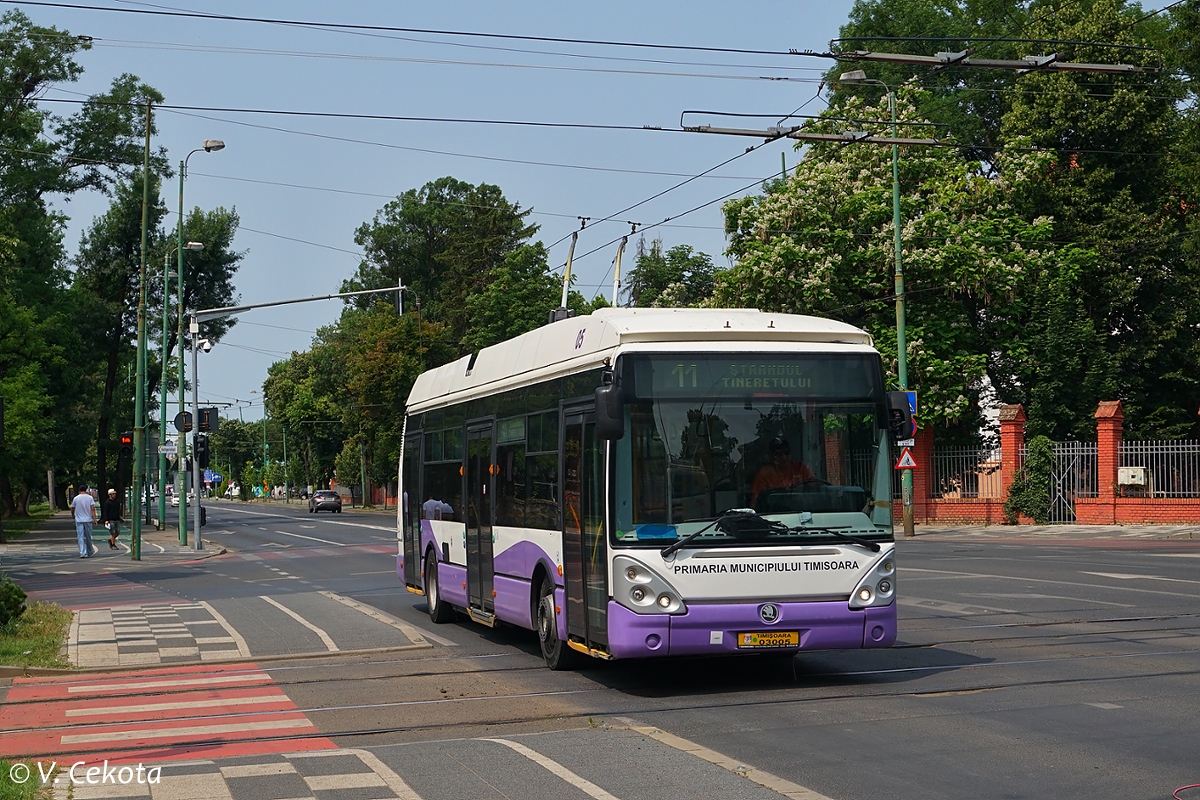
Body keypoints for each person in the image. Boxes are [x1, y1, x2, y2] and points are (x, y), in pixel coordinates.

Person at [750, 437, 818, 507]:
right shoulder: (764, 473)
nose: (784, 457)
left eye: (786, 452)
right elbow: (755, 501)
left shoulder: (800, 468)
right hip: (774, 513)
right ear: (770, 456)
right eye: (778, 454)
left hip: (800, 511)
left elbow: (816, 487)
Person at [70, 485, 98, 558]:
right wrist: (95, 519)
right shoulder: (89, 498)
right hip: (88, 519)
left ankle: (82, 552)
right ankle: (90, 550)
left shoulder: (76, 498)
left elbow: (72, 508)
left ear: (79, 490)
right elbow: (92, 509)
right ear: (86, 490)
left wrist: (73, 515)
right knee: (88, 536)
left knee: (80, 536)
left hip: (79, 520)